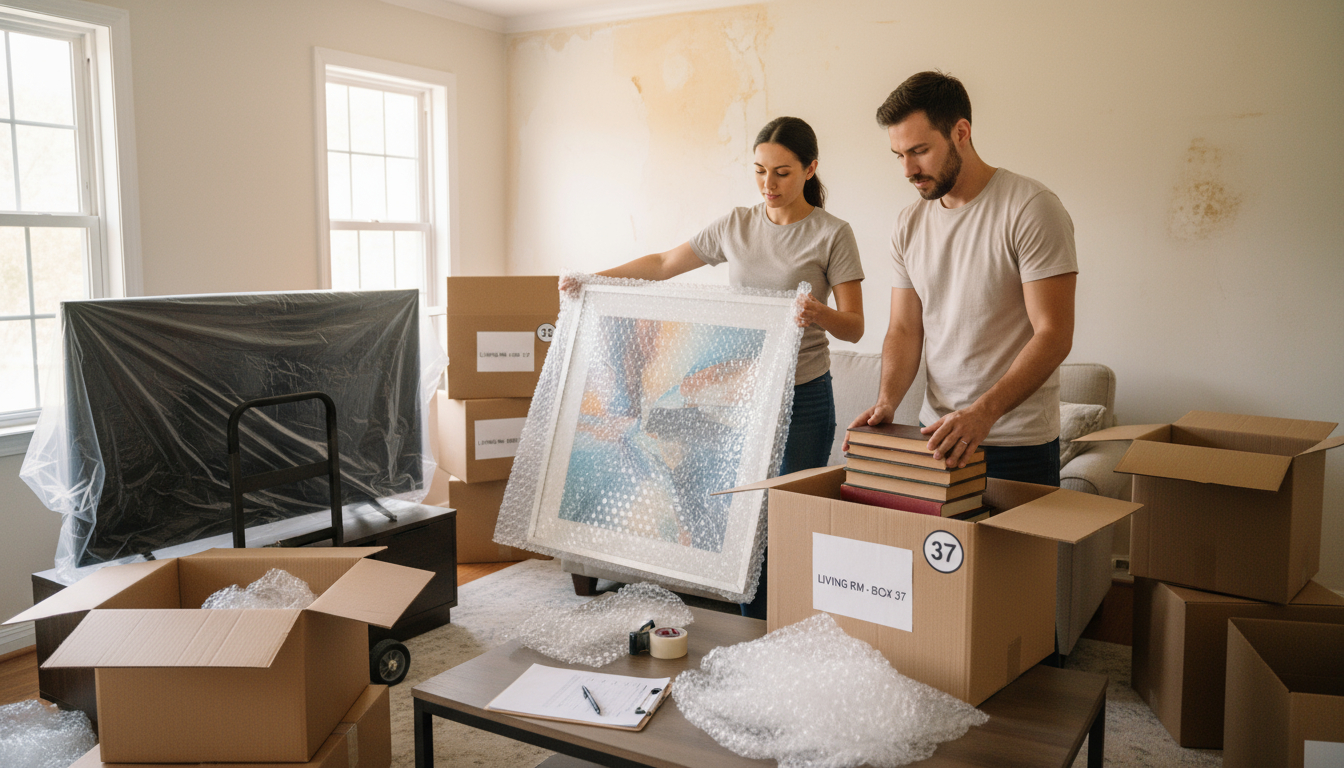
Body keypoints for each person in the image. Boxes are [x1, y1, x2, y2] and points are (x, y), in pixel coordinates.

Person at [572, 116, 865, 618]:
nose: (768, 185)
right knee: (745, 521)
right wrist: (593, 279)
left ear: (810, 169)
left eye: (783, 173)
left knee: (794, 522)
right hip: (741, 400)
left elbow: (855, 326)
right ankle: (751, 635)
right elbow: (664, 264)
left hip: (805, 398)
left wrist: (819, 313)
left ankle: (798, 631)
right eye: (759, 171)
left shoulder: (832, 234)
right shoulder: (737, 224)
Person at [850, 71, 1076, 486]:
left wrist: (983, 414)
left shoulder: (1030, 208)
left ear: (961, 132)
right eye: (898, 155)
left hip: (1016, 443)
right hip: (937, 438)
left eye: (919, 150)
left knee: (1013, 556)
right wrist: (887, 402)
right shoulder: (909, 224)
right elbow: (904, 328)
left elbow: (1054, 334)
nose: (907, 169)